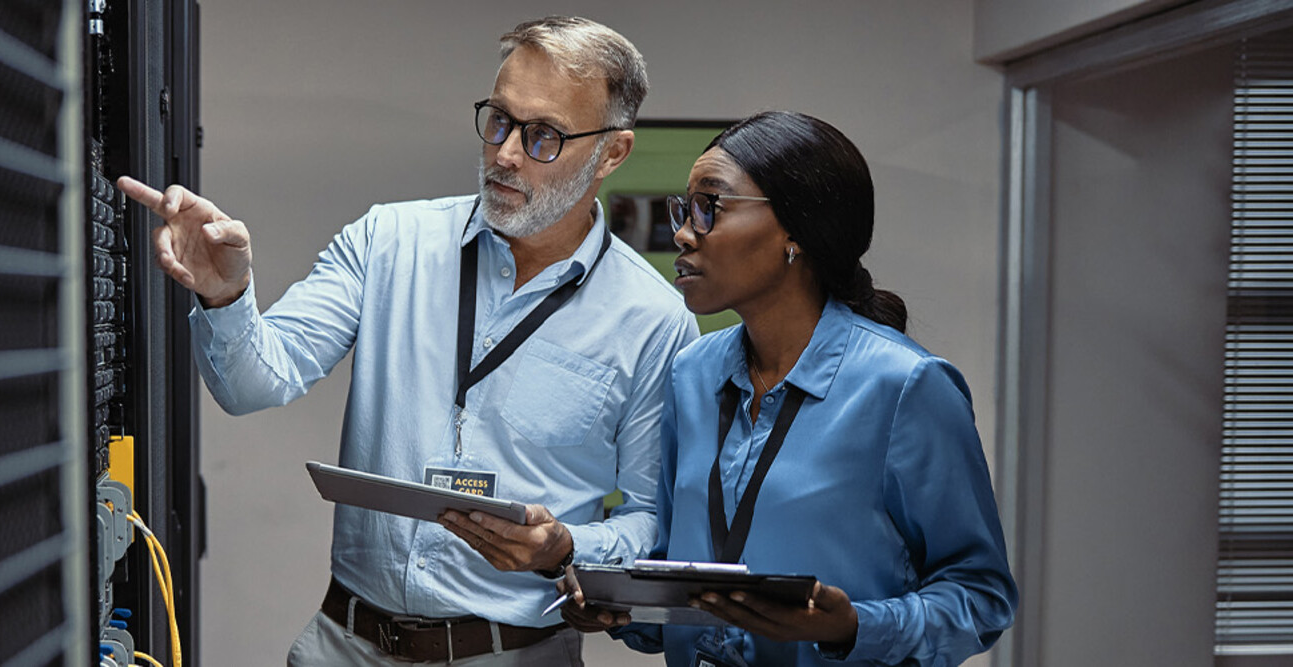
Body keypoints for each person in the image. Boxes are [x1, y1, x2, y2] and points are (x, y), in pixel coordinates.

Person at [117, 16, 698, 666]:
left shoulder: (653, 320)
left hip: (513, 653)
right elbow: (254, 381)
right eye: (499, 119)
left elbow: (650, 522)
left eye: (542, 136)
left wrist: (564, 548)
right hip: (346, 644)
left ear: (612, 152)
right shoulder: (388, 241)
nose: (505, 152)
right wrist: (225, 293)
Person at [557, 110, 1018, 666]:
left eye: (710, 207)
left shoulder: (907, 387)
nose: (681, 232)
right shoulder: (692, 373)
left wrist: (852, 626)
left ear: (796, 232)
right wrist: (619, 605)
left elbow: (981, 597)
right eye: (685, 208)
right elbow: (677, 575)